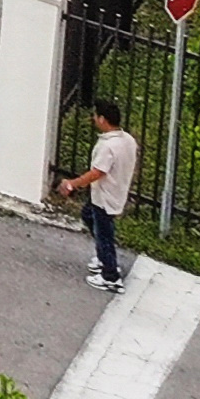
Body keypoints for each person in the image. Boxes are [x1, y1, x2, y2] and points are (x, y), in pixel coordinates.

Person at [55, 102, 138, 288]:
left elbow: (97, 173)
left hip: (104, 197)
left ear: (102, 119)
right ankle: (104, 258)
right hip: (113, 193)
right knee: (88, 215)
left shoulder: (108, 147)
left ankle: (110, 276)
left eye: (95, 116)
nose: (93, 119)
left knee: (104, 234)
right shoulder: (128, 140)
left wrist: (72, 184)